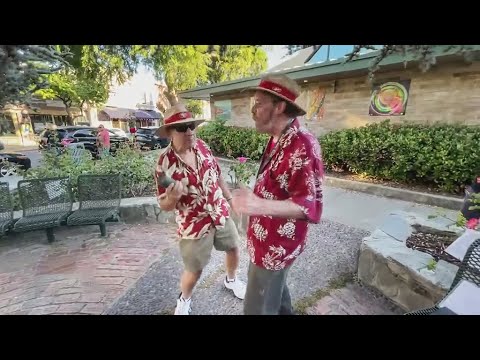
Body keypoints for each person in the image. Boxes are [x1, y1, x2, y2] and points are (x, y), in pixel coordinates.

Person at [231, 74, 324, 315]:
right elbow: (278, 188)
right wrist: (255, 198)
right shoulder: (278, 139)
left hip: (276, 249)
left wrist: (257, 205)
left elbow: (309, 207)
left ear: (279, 106)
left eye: (259, 103)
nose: (253, 110)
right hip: (265, 243)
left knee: (257, 309)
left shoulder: (302, 144)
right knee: (277, 299)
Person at [154, 103, 246, 315]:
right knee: (194, 270)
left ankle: (231, 280)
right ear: (169, 132)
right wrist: (173, 198)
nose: (189, 131)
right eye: (182, 127)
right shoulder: (164, 164)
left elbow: (217, 173)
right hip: (193, 224)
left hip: (219, 211)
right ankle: (184, 299)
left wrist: (229, 198)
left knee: (233, 247)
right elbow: (164, 204)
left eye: (192, 125)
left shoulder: (203, 146)